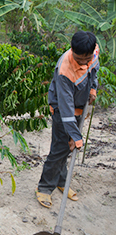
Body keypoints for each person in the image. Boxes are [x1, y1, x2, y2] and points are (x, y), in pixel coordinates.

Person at [36, 31, 99, 208]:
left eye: (86, 60)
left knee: (66, 149)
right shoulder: (64, 71)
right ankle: (45, 187)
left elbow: (94, 70)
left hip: (79, 108)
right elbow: (65, 109)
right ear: (72, 50)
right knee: (59, 148)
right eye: (79, 60)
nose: (83, 63)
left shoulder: (93, 53)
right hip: (62, 111)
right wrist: (75, 135)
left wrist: (93, 89)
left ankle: (61, 182)